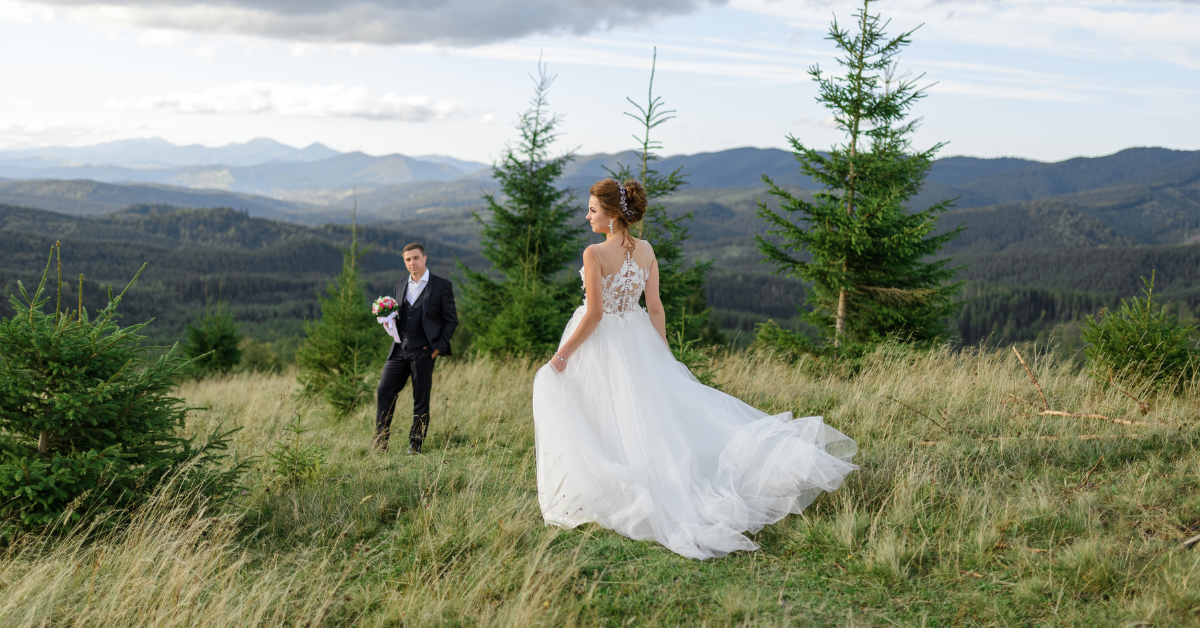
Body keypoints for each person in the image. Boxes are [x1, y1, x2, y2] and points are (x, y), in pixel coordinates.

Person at [531, 178, 858, 560]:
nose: (587, 216)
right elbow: (654, 308)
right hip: (637, 339)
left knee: (601, 408)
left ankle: (610, 484)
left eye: (592, 209)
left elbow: (596, 313)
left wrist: (563, 355)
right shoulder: (648, 250)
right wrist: (661, 352)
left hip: (603, 342)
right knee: (643, 413)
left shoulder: (594, 254)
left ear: (612, 214)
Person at [375, 243, 458, 454]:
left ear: (424, 258)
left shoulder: (441, 286)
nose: (412, 263)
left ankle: (415, 444)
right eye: (408, 260)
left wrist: (438, 348)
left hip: (424, 351)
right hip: (399, 349)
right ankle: (381, 442)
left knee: (420, 398)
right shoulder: (400, 284)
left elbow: (451, 321)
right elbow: (402, 316)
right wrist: (389, 322)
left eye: (415, 258)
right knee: (384, 391)